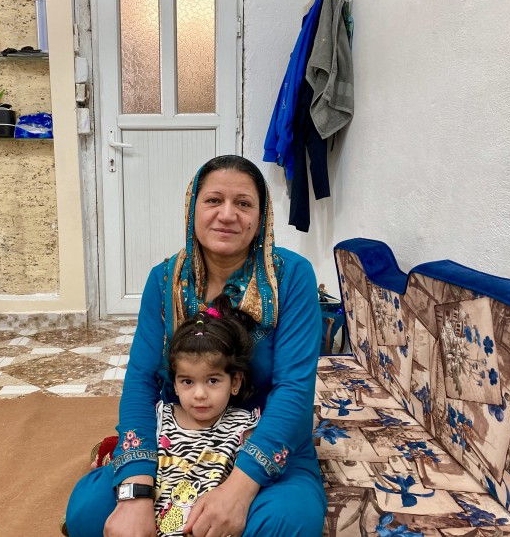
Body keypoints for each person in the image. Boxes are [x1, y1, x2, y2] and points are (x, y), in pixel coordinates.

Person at [65, 155, 326, 537]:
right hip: (176, 443)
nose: (227, 215)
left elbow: (294, 390)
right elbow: (141, 382)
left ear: (261, 215)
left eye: (243, 203)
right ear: (192, 208)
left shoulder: (291, 277)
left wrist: (238, 490)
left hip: (261, 445)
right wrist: (136, 492)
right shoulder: (164, 280)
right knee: (89, 515)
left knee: (282, 524)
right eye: (213, 200)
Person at [155, 297, 260, 536]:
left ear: (235, 382)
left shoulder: (244, 427)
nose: (199, 394)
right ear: (175, 384)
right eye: (187, 382)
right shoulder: (161, 418)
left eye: (212, 380)